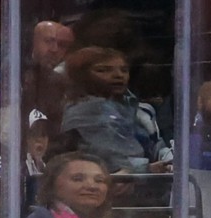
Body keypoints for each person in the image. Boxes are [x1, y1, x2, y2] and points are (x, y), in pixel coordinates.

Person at [58, 46, 173, 174]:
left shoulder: (131, 107)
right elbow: (110, 158)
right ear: (80, 75)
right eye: (103, 70)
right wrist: (146, 168)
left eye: (124, 70)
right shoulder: (85, 110)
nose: (118, 75)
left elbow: (153, 147)